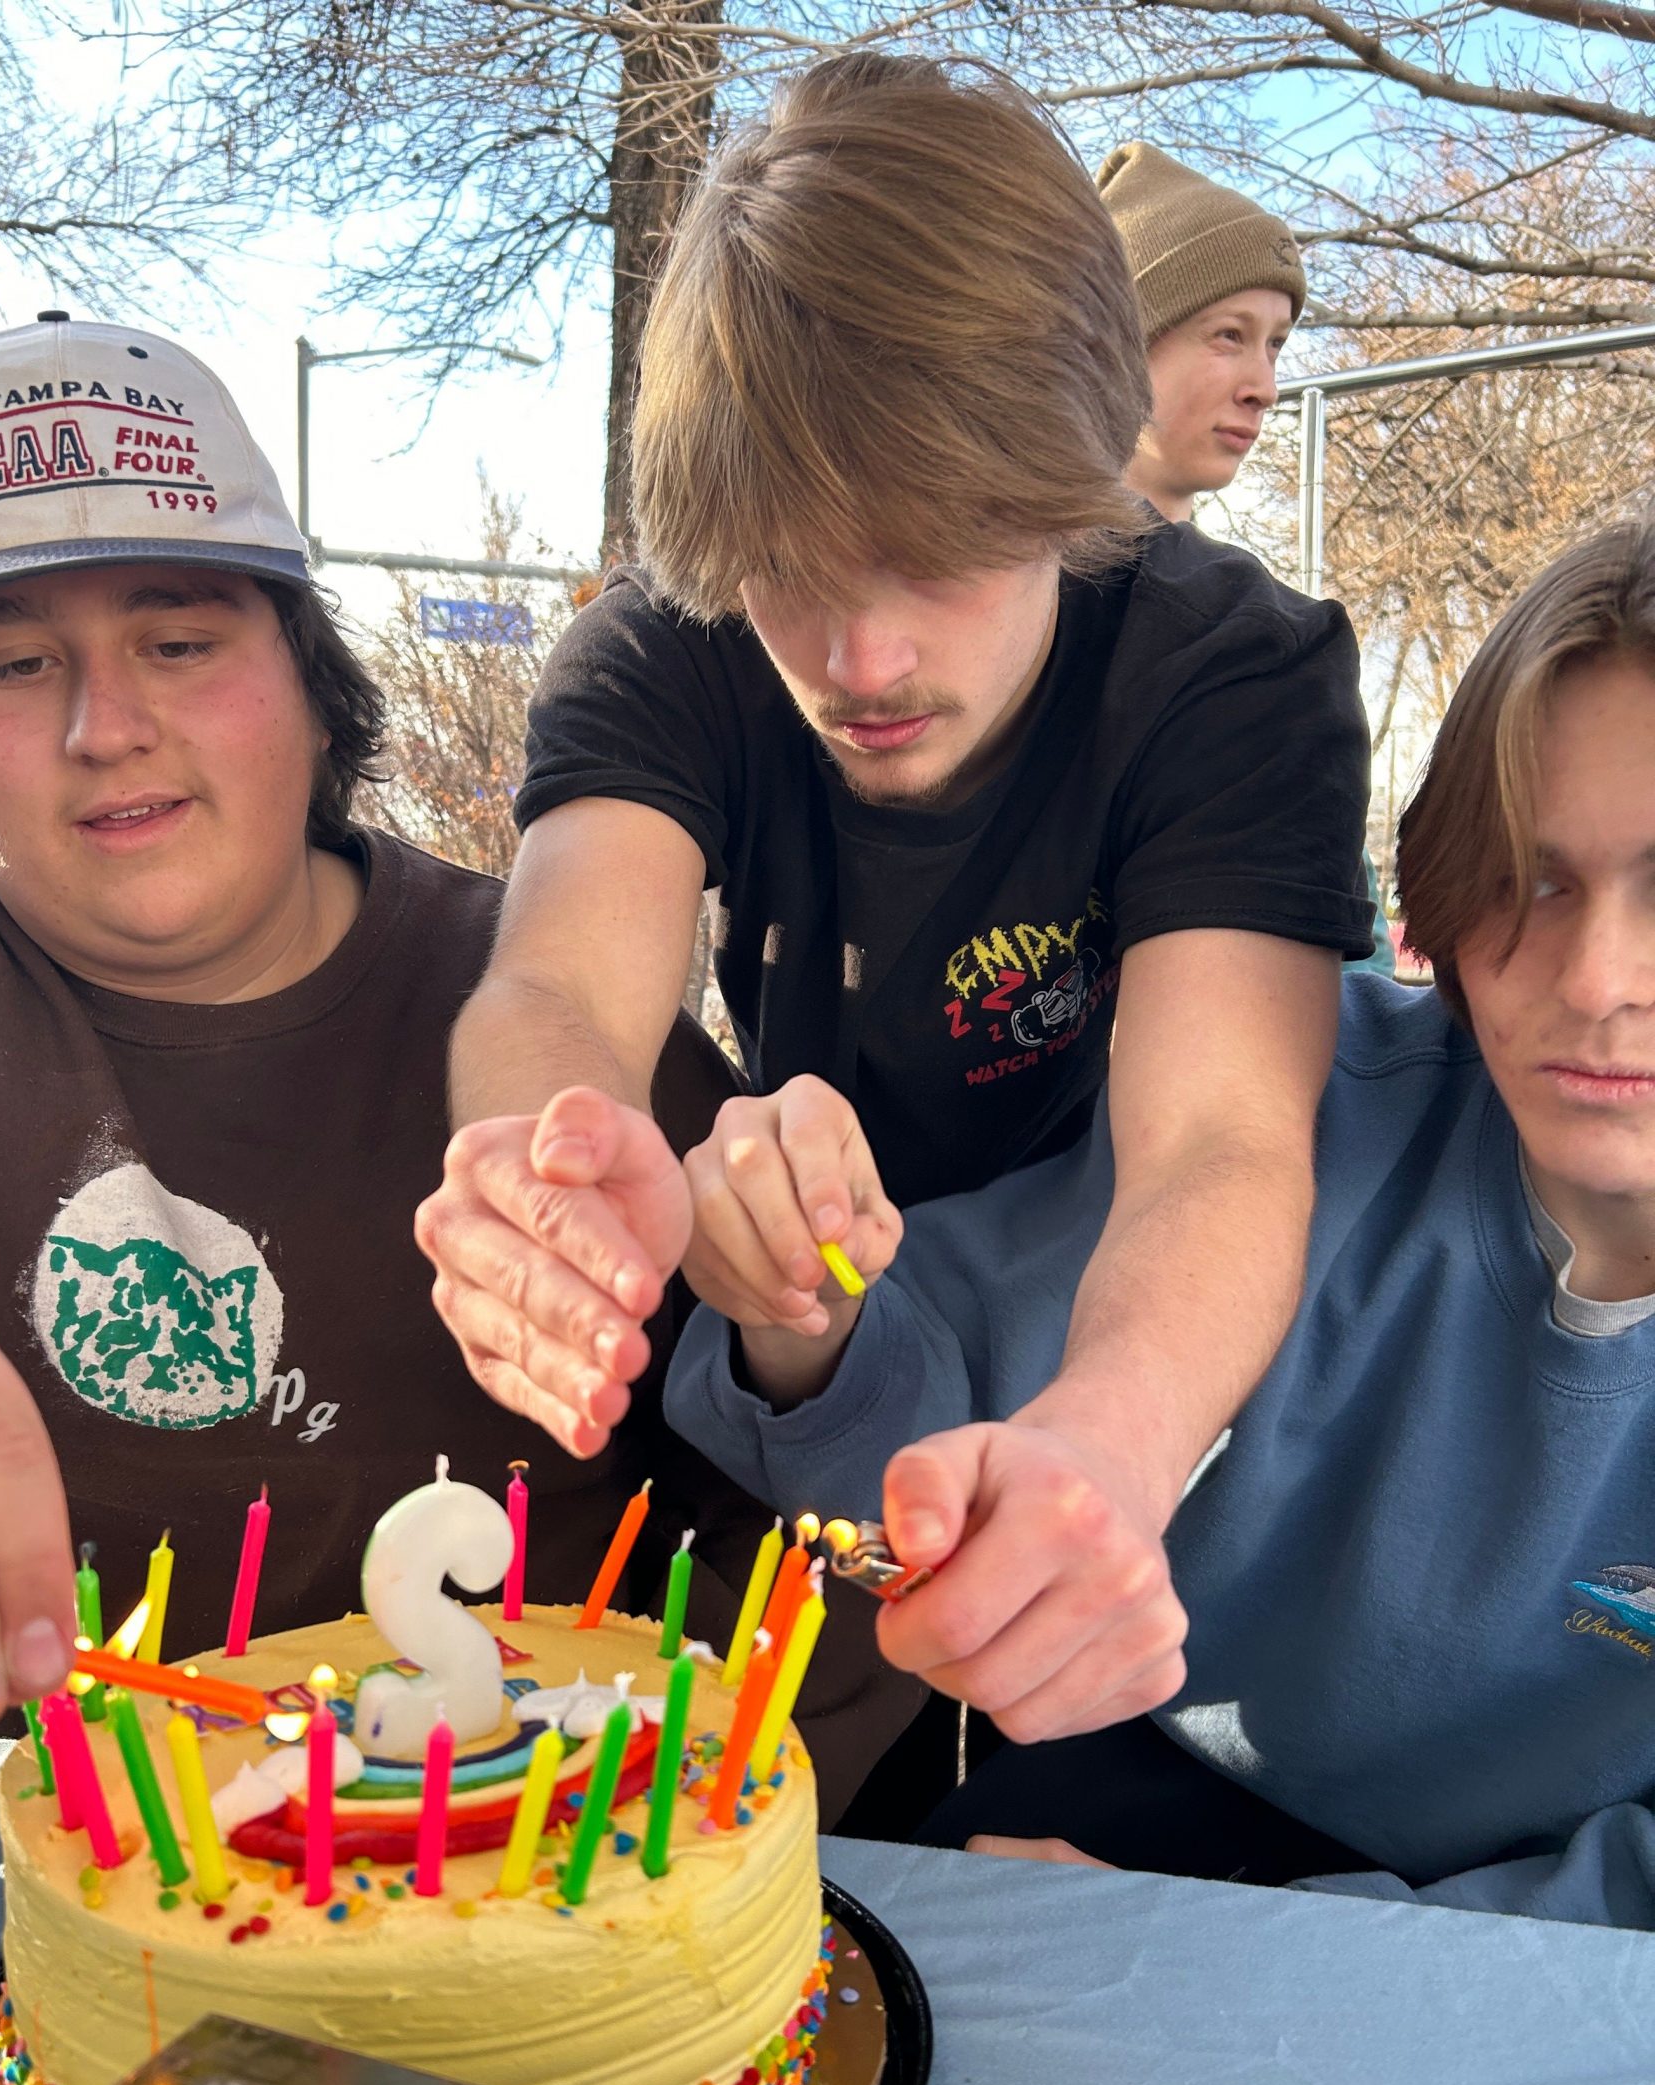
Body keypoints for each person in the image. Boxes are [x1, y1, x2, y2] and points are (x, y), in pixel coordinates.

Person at [417, 49, 1373, 1758]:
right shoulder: (663, 645)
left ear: (1077, 471)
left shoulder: (1231, 671)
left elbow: (1221, 1141)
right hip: (810, 1338)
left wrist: (1109, 1443)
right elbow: (557, 987)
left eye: (940, 554)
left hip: (1135, 1312)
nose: (861, 663)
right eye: (789, 570)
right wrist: (546, 1170)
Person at [0, 312, 769, 1801]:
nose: (107, 726)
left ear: (308, 675)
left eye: (180, 642)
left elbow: (785, 1527)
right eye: (13, 662)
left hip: (512, 1884)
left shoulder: (557, 1016)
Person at [665, 518, 1655, 1928]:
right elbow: (929, 1406)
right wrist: (803, 1306)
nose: (1600, 977)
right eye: (1531, 877)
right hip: (1165, 1813)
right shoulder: (1322, 1103)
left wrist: (1280, 1947)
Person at [1095, 143, 1305, 524]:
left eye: (1275, 344)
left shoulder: (1236, 573)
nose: (1266, 391)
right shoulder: (995, 555)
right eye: (1230, 335)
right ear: (1122, 348)